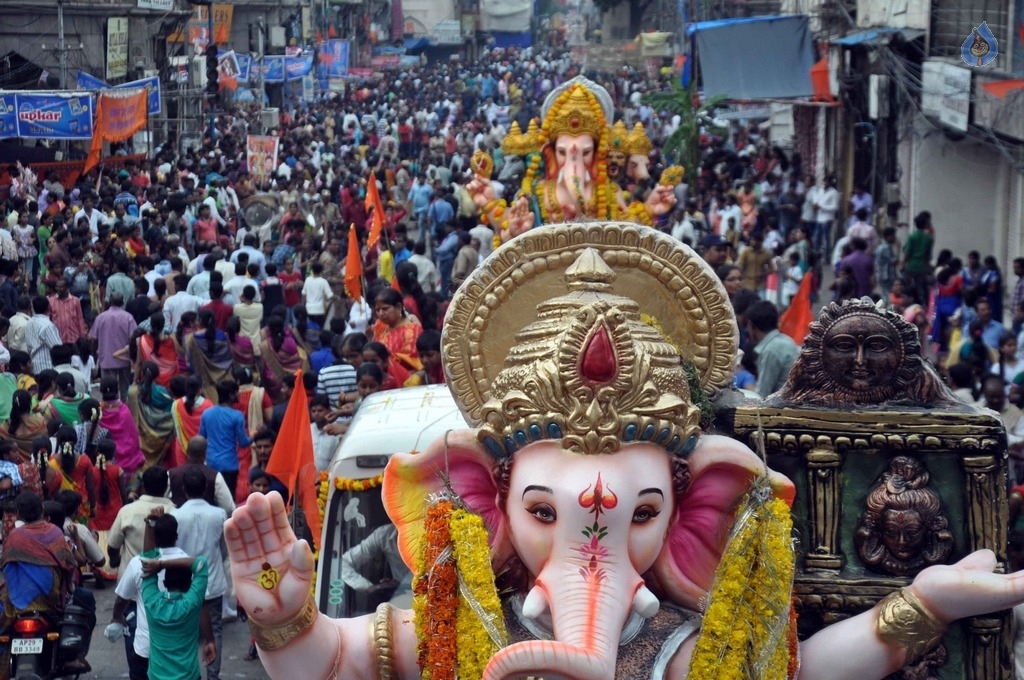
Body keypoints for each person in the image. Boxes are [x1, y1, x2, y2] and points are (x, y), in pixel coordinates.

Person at [0, 492, 78, 671]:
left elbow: (7, 568)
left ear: (18, 514)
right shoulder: (55, 532)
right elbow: (68, 565)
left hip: (15, 605)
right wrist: (68, 588)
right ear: (42, 511)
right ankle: (71, 659)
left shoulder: (14, 536)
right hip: (50, 600)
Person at [140, 511, 217, 680]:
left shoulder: (152, 603)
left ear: (164, 584)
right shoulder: (192, 603)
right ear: (189, 584)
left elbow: (147, 560)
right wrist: (161, 564)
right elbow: (201, 563)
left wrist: (150, 524)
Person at [111, 511, 188, 680]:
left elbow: (122, 599)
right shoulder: (189, 564)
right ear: (176, 535)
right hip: (179, 652)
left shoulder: (139, 566)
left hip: (145, 651)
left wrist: (117, 617)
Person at [171, 468, 229, 680]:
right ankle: (213, 676)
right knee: (214, 631)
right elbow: (223, 549)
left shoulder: (175, 515)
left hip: (182, 584)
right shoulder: (219, 514)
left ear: (183, 489)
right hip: (211, 581)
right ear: (206, 488)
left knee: (184, 633)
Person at [199, 379, 252, 495]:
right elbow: (243, 442)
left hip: (211, 464)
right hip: (229, 465)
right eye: (237, 392)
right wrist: (254, 436)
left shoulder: (207, 414)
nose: (240, 394)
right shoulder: (237, 416)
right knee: (229, 499)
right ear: (231, 395)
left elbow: (201, 439)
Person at [168, 436, 236, 516]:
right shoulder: (215, 476)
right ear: (205, 453)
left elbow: (161, 500)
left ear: (187, 452)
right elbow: (228, 508)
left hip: (177, 524)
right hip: (208, 523)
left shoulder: (172, 474)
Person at [746, 300, 800, 398]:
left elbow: (761, 395)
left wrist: (744, 381)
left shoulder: (770, 351)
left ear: (751, 325)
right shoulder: (787, 340)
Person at [126, 360, 174, 469]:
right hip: (160, 437)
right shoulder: (163, 393)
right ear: (157, 375)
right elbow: (170, 413)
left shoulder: (132, 392)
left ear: (141, 374)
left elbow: (130, 414)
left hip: (140, 437)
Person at [90, 293, 138, 400]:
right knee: (125, 390)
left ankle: (110, 411)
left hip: (106, 358)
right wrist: (133, 356)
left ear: (110, 302)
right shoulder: (128, 317)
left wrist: (94, 353)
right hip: (124, 358)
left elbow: (94, 338)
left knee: (108, 389)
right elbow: (133, 338)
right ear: (122, 303)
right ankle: (125, 411)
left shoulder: (100, 317)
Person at [46, 424, 96, 524]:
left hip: (59, 504)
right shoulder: (85, 460)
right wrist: (93, 506)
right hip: (79, 506)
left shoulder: (52, 462)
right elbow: (91, 487)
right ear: (76, 441)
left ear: (59, 442)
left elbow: (49, 487)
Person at [186, 309, 234, 402]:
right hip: (223, 377)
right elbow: (228, 357)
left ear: (200, 321)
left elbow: (189, 362)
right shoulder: (222, 335)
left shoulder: (191, 338)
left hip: (205, 382)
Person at [372, 288, 424, 370]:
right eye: (377, 310)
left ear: (398, 307)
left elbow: (413, 359)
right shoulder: (381, 331)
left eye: (385, 309)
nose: (381, 313)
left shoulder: (413, 330)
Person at [259, 315, 308, 399]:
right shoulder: (290, 342)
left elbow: (263, 367)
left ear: (269, 329)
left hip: (274, 381)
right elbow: (299, 359)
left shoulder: (265, 345)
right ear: (283, 327)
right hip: (292, 379)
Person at [169, 375, 211, 469]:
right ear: (200, 389)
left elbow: (177, 429)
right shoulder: (209, 405)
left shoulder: (176, 405)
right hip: (204, 451)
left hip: (182, 449)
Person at [26, 295, 62, 373]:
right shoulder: (47, 325)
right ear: (48, 307)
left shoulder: (29, 322)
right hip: (47, 366)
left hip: (34, 365)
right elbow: (57, 348)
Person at [301, 262, 334, 327]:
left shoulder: (308, 280)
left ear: (312, 270)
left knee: (310, 326)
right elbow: (330, 296)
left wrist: (302, 306)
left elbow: (303, 294)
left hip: (309, 309)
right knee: (319, 327)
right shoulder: (323, 281)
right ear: (321, 271)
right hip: (320, 310)